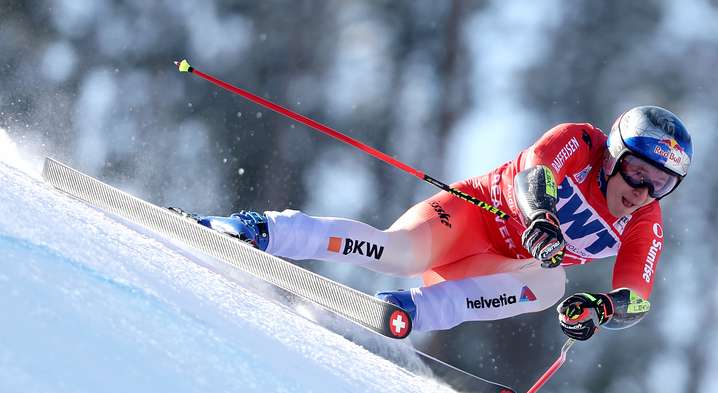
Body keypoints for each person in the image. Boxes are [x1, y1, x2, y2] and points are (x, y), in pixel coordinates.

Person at [195, 105, 692, 340]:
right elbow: (535, 171)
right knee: (398, 253)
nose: (642, 191)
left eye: (661, 184)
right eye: (636, 170)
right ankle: (264, 230)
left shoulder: (644, 219)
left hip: (497, 268)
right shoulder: (579, 143)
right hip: (470, 217)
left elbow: (638, 298)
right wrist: (540, 216)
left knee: (551, 283)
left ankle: (411, 311)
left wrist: (601, 307)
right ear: (613, 154)